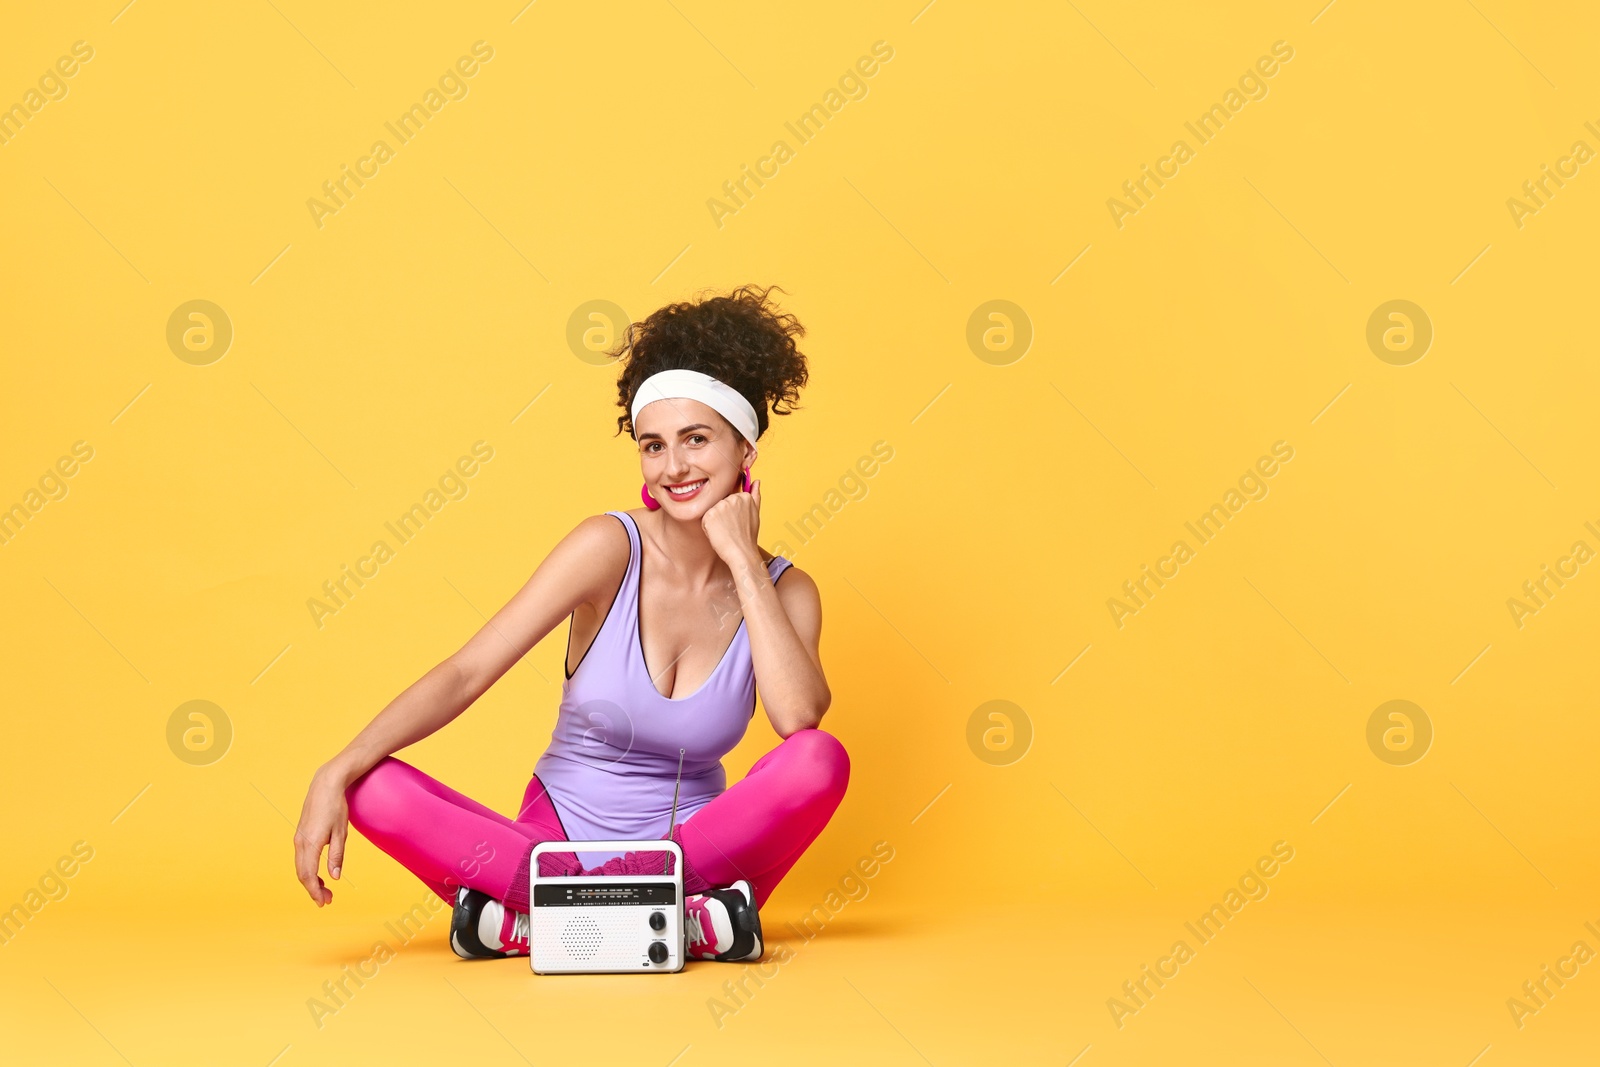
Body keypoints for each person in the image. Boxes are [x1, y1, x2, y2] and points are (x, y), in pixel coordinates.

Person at [292, 284, 850, 963]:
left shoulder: (787, 590)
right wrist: (337, 765)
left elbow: (798, 722)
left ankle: (540, 921)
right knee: (373, 785)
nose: (673, 467)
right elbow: (468, 670)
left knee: (823, 760)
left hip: (695, 846)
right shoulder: (606, 548)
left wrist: (741, 560)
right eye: (653, 445)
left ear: (745, 451)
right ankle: (680, 922)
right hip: (552, 843)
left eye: (696, 440)